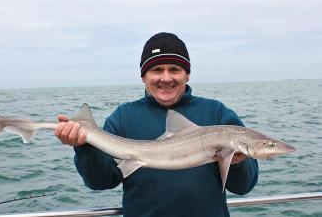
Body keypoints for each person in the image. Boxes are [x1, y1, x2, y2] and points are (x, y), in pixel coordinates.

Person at [55, 32, 259, 217]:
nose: (166, 78)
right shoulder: (123, 117)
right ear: (143, 76)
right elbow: (101, 182)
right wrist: (84, 148)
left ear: (187, 74)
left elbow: (244, 187)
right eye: (157, 70)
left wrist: (238, 163)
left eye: (175, 69)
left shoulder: (216, 113)